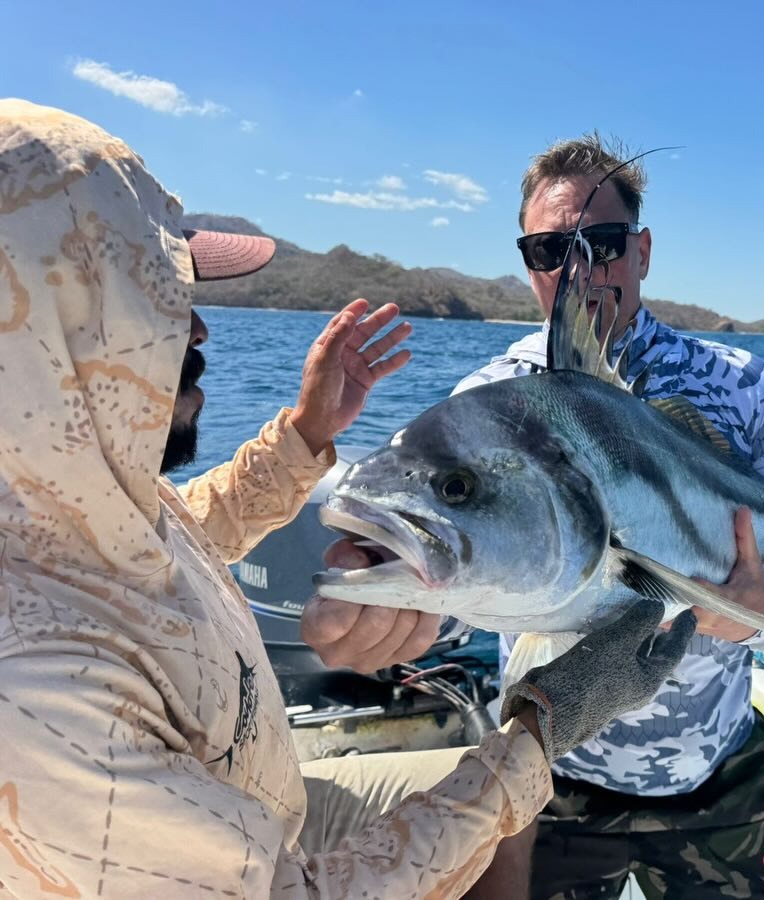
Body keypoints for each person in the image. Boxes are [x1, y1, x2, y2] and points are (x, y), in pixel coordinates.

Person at [0, 101, 695, 899]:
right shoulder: (30, 689)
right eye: (156, 289)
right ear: (37, 322)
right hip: (256, 865)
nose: (196, 329)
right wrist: (541, 735)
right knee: (501, 796)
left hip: (265, 796)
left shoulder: (58, 498)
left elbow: (186, 530)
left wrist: (304, 435)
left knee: (507, 814)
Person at [305, 134, 764, 898]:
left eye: (603, 242)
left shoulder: (742, 386)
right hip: (540, 773)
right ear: (526, 261)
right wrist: (399, 620)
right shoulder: (484, 398)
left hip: (715, 773)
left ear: (644, 250)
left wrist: (759, 617)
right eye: (551, 247)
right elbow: (478, 587)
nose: (580, 267)